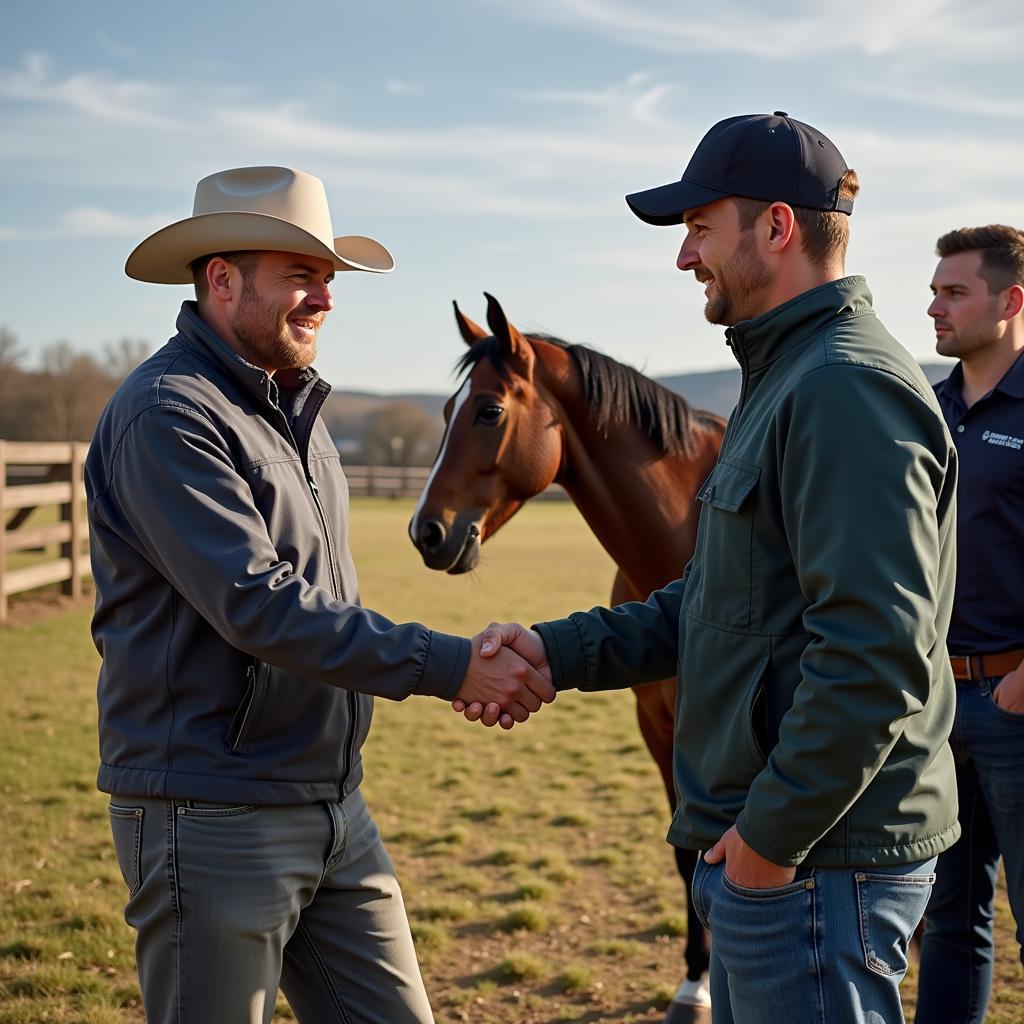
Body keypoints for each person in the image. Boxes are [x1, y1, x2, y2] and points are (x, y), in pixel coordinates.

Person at [458, 113, 961, 1024]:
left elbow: (876, 656)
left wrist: (768, 845)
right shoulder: (786, 376)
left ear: (776, 226)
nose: (684, 258)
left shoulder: (844, 388)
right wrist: (554, 651)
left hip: (814, 865)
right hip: (780, 856)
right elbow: (723, 598)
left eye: (698, 228)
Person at [85, 165, 554, 1024]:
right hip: (213, 810)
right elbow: (260, 606)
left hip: (333, 802)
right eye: (301, 273)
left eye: (329, 277)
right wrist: (455, 666)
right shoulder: (168, 414)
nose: (325, 297)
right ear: (221, 279)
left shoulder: (295, 413)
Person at [915, 225, 1024, 1024]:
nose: (933, 307)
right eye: (935, 289)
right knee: (950, 923)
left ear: (1011, 301)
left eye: (954, 292)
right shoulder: (931, 405)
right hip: (936, 710)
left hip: (1017, 704)